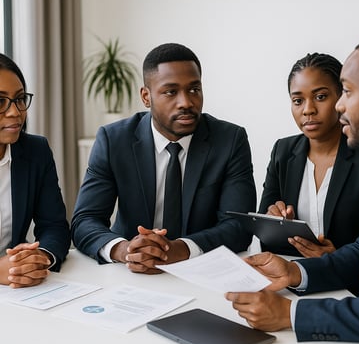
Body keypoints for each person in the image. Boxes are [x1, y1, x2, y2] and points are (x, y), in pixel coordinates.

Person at [226, 36, 359, 343]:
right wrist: (296, 273)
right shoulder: (285, 151)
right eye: (298, 100)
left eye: (345, 91)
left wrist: (289, 314)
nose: (340, 105)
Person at [71, 43, 256, 274]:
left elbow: (239, 226)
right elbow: (85, 220)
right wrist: (125, 250)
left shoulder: (229, 140)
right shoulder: (114, 140)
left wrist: (180, 249)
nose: (186, 102)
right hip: (130, 274)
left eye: (194, 89)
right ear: (146, 97)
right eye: (171, 92)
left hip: (202, 270)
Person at [258, 53, 359, 257]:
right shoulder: (283, 151)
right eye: (297, 100)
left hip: (351, 284)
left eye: (320, 97)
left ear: (342, 97)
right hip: (291, 274)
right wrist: (273, 221)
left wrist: (336, 258)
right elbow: (264, 234)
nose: (308, 110)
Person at [0, 53, 70, 288]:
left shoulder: (36, 150)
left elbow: (54, 225)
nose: (15, 112)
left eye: (20, 99)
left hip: (20, 290)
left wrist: (42, 257)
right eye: (0, 101)